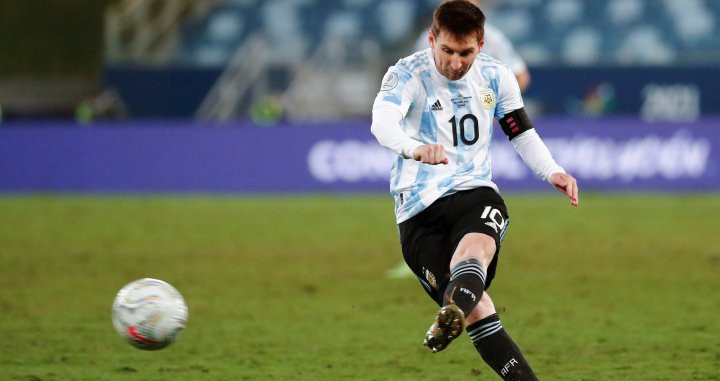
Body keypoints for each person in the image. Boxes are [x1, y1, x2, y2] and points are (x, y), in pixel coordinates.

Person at [370, 1, 578, 380]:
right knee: (478, 306)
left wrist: (552, 171)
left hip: (473, 192)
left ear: (481, 44)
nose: (455, 63)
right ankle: (455, 311)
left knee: (477, 250)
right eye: (447, 51)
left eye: (465, 53)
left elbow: (520, 131)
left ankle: (453, 312)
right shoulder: (406, 74)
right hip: (417, 208)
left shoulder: (496, 76)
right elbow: (381, 122)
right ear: (432, 39)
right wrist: (413, 147)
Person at [414, 0, 531, 92]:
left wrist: (496, 108)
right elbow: (417, 80)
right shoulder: (427, 39)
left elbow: (520, 76)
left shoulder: (492, 38)